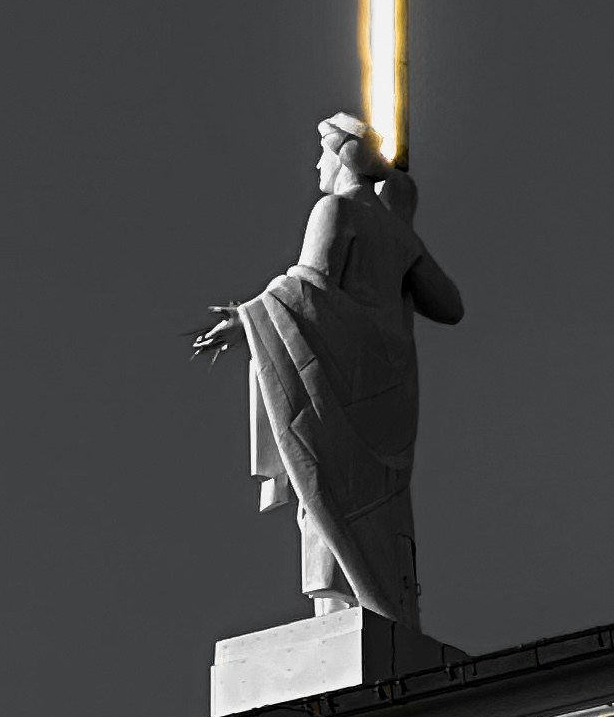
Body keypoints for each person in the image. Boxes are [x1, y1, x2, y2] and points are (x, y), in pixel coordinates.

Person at [194, 112, 463, 628]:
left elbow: (308, 290)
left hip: (344, 388)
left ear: (343, 156)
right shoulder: (397, 234)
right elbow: (450, 305)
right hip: (389, 398)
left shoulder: (334, 210)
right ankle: (381, 611)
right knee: (378, 506)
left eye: (322, 152)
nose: (316, 163)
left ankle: (338, 612)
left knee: (327, 488)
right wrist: (404, 240)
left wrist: (248, 319)